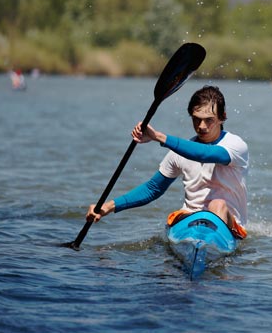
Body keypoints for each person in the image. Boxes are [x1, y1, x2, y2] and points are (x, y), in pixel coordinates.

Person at [86, 85, 249, 239]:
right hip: (191, 219)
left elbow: (205, 154)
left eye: (209, 120)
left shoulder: (235, 145)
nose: (201, 126)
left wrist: (158, 137)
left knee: (217, 204)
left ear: (223, 117)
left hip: (228, 226)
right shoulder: (178, 153)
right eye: (196, 119)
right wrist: (108, 207)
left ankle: (210, 245)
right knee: (181, 216)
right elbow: (153, 188)